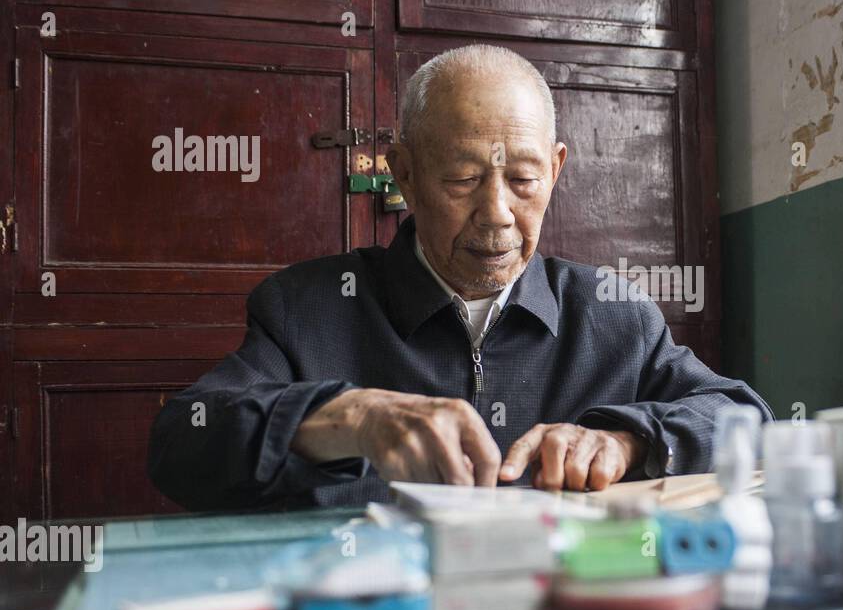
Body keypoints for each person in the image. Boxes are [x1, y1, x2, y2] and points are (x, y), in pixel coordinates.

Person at [148, 44, 772, 510]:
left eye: (524, 180)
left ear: (556, 172)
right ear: (405, 174)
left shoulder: (611, 315)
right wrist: (350, 416)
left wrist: (631, 440)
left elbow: (745, 418)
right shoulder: (306, 309)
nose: (497, 213)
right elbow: (182, 441)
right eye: (463, 180)